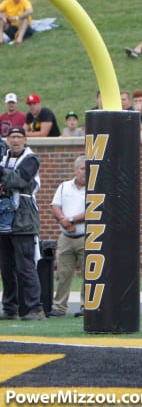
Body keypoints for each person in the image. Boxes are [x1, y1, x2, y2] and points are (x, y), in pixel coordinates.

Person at [0, 126, 44, 321]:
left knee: (25, 265)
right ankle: (10, 307)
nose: (15, 140)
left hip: (23, 219)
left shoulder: (31, 159)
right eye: (12, 137)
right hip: (4, 218)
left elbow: (18, 180)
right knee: (6, 266)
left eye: (19, 137)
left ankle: (35, 308)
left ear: (25, 139)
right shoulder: (4, 157)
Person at [48, 155, 86, 317]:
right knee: (63, 274)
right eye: (83, 169)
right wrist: (63, 221)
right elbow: (55, 205)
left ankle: (87, 307)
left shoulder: (95, 188)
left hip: (86, 237)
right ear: (76, 170)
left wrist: (69, 220)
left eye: (88, 169)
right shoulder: (64, 186)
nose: (86, 172)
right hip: (65, 238)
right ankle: (59, 307)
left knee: (88, 275)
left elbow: (92, 211)